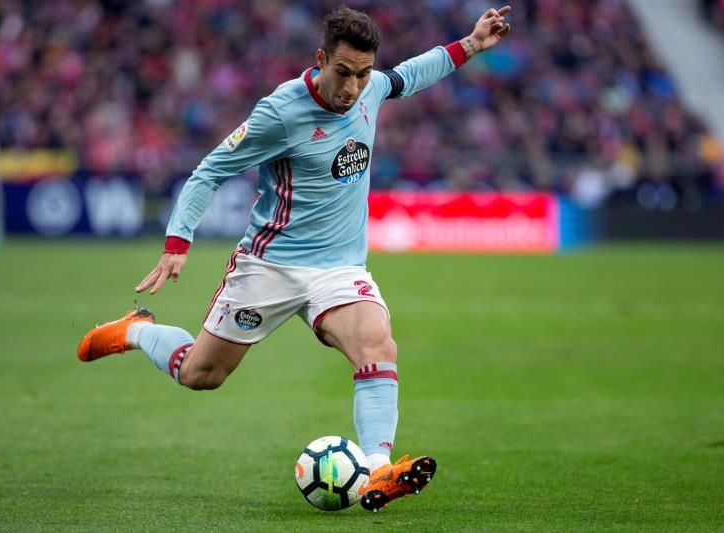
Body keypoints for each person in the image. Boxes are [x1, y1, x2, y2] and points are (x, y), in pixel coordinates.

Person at [77, 4, 511, 512]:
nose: (353, 87)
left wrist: (471, 44)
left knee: (377, 344)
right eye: (343, 72)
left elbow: (410, 74)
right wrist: (177, 243)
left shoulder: (371, 87)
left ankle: (377, 470)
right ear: (321, 59)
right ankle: (136, 331)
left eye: (363, 74)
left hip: (339, 268)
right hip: (270, 267)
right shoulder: (280, 112)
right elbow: (210, 170)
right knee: (201, 375)